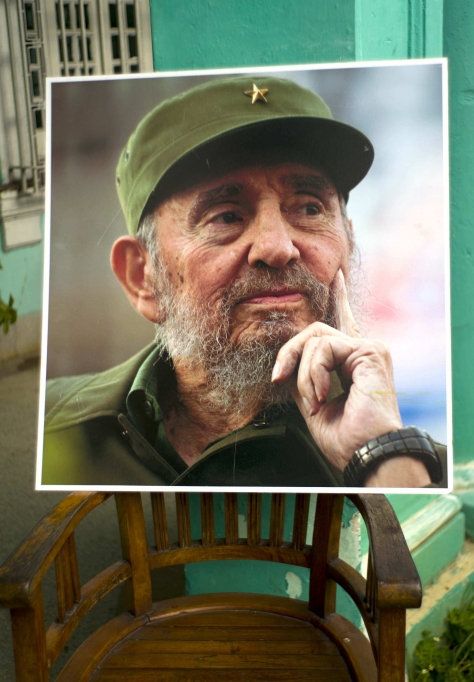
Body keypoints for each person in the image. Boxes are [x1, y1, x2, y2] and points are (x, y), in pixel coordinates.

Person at [42, 75, 446, 488]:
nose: (277, 247)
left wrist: (381, 454)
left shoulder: (414, 467)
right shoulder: (58, 431)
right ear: (142, 276)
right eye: (226, 215)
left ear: (350, 242)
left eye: (309, 208)